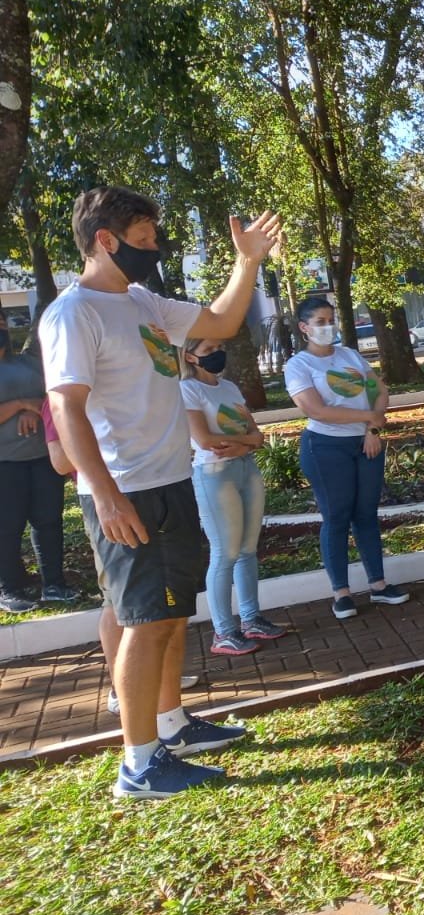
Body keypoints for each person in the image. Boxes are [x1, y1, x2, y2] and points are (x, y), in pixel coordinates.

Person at [41, 185, 280, 800]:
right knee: (144, 622)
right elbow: (65, 407)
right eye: (144, 241)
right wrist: (104, 493)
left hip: (171, 479)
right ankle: (140, 763)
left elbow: (222, 321)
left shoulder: (143, 301)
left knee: (172, 613)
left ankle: (172, 727)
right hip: (128, 492)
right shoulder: (74, 313)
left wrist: (247, 261)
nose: (154, 251)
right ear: (105, 240)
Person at [40, 401, 197, 715]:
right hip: (109, 502)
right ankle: (121, 690)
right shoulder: (60, 400)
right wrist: (113, 452)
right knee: (117, 601)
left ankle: (160, 692)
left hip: (142, 492)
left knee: (148, 604)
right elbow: (59, 461)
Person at [285, 296, 410, 620]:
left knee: (366, 514)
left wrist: (372, 428)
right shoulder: (299, 365)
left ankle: (379, 586)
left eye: (331, 320)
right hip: (325, 448)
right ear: (304, 328)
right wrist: (369, 416)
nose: (328, 327)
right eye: (320, 322)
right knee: (337, 516)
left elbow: (379, 391)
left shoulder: (350, 355)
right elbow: (316, 410)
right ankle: (341, 593)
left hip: (366, 444)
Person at [182, 337, 281, 655]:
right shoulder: (188, 390)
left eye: (217, 348)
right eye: (208, 351)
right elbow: (205, 439)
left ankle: (251, 619)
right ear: (190, 357)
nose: (216, 354)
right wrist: (245, 441)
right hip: (214, 474)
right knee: (224, 552)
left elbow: (258, 435)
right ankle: (224, 631)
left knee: (248, 549)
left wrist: (242, 445)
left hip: (245, 468)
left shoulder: (230, 388)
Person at [0, 327, 75, 612]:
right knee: (7, 528)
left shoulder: (29, 364)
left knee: (48, 522)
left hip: (42, 457)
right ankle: (10, 589)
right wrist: (21, 405)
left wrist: (34, 409)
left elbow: (54, 399)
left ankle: (54, 584)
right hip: (5, 464)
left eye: (2, 321)